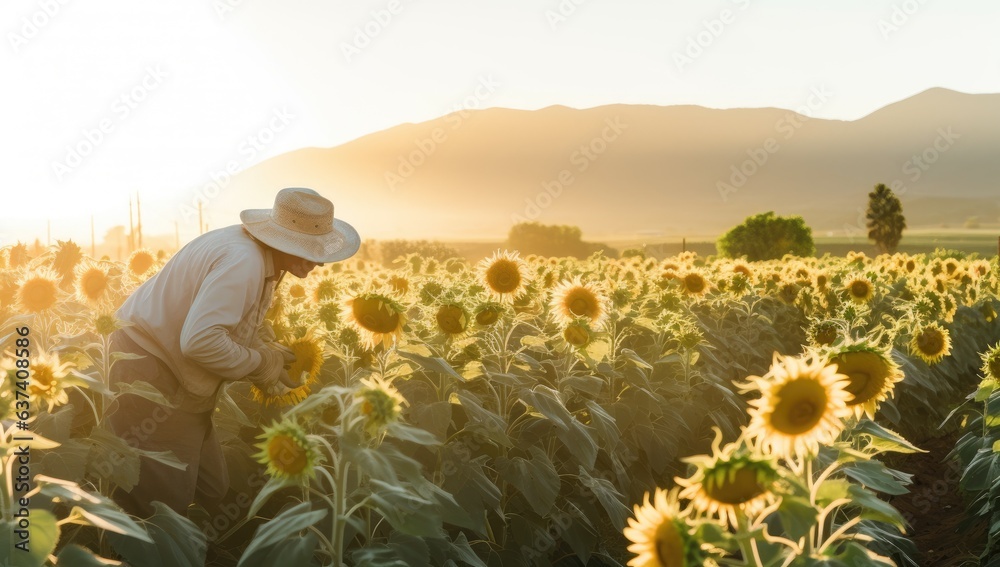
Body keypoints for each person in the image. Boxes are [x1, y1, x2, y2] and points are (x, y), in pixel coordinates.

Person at [106, 187, 360, 518]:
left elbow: (237, 318)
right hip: (150, 372)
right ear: (283, 242)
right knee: (163, 504)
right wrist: (262, 363)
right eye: (311, 250)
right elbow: (200, 341)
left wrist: (270, 352)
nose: (320, 262)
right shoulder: (244, 262)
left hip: (159, 363)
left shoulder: (254, 253)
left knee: (213, 488)